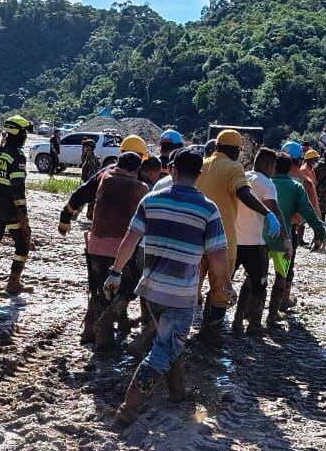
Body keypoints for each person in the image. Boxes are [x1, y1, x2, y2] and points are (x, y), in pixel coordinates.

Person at [106, 146, 229, 425]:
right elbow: (217, 256)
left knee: (169, 340)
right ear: (199, 174)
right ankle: (128, 409)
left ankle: (177, 393)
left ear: (172, 170)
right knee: (165, 348)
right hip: (180, 295)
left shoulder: (151, 200)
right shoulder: (208, 209)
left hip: (151, 290)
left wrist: (115, 272)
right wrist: (225, 285)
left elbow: (130, 240)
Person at [196, 128, 281, 343]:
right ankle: (211, 332)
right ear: (235, 150)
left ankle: (182, 331)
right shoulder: (234, 167)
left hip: (195, 238)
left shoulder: (201, 164)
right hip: (222, 240)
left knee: (190, 286)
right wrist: (267, 213)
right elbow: (243, 192)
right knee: (220, 288)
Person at [60, 150, 149, 348]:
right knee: (129, 287)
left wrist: (64, 217)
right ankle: (105, 333)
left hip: (96, 245)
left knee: (99, 288)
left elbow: (79, 195)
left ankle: (90, 331)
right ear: (136, 170)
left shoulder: (103, 176)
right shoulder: (141, 188)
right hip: (124, 249)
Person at [268, 152, 321, 324]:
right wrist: (319, 230)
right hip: (286, 234)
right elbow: (310, 209)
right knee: (283, 272)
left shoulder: (264, 181)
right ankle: (279, 307)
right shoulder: (301, 182)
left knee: (255, 272)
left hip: (260, 234)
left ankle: (248, 312)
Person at [231, 148, 279, 336]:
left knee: (223, 282)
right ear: (267, 165)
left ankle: (232, 322)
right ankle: (254, 324)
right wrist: (285, 237)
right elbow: (274, 210)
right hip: (255, 243)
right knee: (259, 284)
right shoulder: (267, 184)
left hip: (234, 241)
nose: (273, 171)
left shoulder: (242, 177)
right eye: (273, 167)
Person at [0, 115, 34, 295]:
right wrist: (23, 216)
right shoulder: (17, 156)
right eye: (24, 133)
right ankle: (13, 283)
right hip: (11, 210)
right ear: (18, 134)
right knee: (23, 243)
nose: (26, 137)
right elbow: (18, 189)